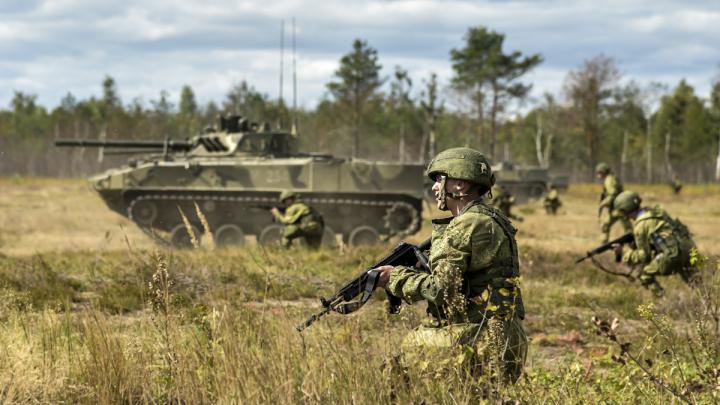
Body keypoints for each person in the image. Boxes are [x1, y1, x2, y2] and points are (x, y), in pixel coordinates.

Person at [374, 147, 527, 385]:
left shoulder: (466, 225)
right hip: (506, 338)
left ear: (459, 186)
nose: (435, 187)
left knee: (393, 375)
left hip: (478, 341)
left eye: (438, 180)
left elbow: (441, 290)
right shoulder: (490, 217)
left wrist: (395, 278)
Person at [612, 191, 698, 297]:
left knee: (643, 274)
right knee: (695, 281)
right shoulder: (657, 212)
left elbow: (645, 257)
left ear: (625, 210)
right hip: (689, 248)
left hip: (674, 254)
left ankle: (665, 301)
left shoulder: (640, 226)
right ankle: (708, 304)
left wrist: (624, 252)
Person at [596, 162, 631, 243]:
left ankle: (634, 243)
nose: (598, 175)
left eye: (599, 173)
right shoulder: (611, 179)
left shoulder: (609, 180)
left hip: (619, 208)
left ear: (602, 172)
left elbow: (613, 193)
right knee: (606, 225)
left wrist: (604, 203)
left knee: (627, 228)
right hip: (618, 207)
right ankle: (604, 244)